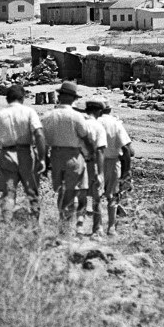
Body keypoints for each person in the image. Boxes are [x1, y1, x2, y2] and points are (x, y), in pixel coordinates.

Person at [41, 81, 97, 236]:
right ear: (73, 99)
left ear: (59, 96)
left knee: (61, 191)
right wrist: (91, 153)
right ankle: (66, 229)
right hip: (73, 155)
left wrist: (45, 160)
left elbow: (43, 141)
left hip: (56, 156)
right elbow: (86, 138)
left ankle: (62, 223)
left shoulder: (48, 116)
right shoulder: (77, 117)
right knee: (71, 193)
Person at [0, 84, 46, 223]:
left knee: (9, 192)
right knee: (31, 190)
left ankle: (6, 222)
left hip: (7, 153)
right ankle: (34, 224)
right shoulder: (29, 112)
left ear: (7, 99)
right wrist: (42, 158)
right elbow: (39, 135)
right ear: (22, 98)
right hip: (26, 154)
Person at [95, 102, 133, 236]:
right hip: (113, 161)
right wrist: (127, 170)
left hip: (95, 162)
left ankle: (97, 227)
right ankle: (111, 228)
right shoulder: (116, 123)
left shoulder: (93, 122)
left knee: (96, 196)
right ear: (110, 109)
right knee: (113, 195)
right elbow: (127, 149)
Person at [75, 100, 107, 235]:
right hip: (92, 163)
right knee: (96, 198)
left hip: (79, 162)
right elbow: (100, 151)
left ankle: (79, 226)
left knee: (81, 197)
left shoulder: (79, 125)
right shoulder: (98, 127)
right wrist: (100, 172)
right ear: (98, 111)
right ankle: (97, 228)